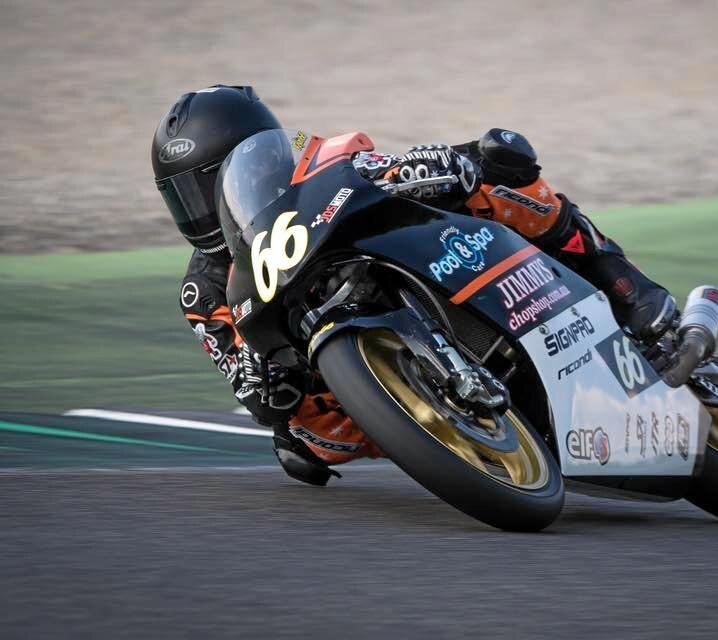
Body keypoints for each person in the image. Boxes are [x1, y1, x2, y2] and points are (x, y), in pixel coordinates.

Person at [151, 85, 678, 487]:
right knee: (307, 440)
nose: (200, 208)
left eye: (210, 182)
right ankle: (443, 426)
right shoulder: (204, 291)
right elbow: (245, 382)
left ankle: (627, 286)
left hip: (422, 254)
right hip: (325, 363)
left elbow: (394, 168)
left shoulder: (319, 165)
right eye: (184, 195)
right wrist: (263, 381)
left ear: (259, 156)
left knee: (497, 185)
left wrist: (459, 160)